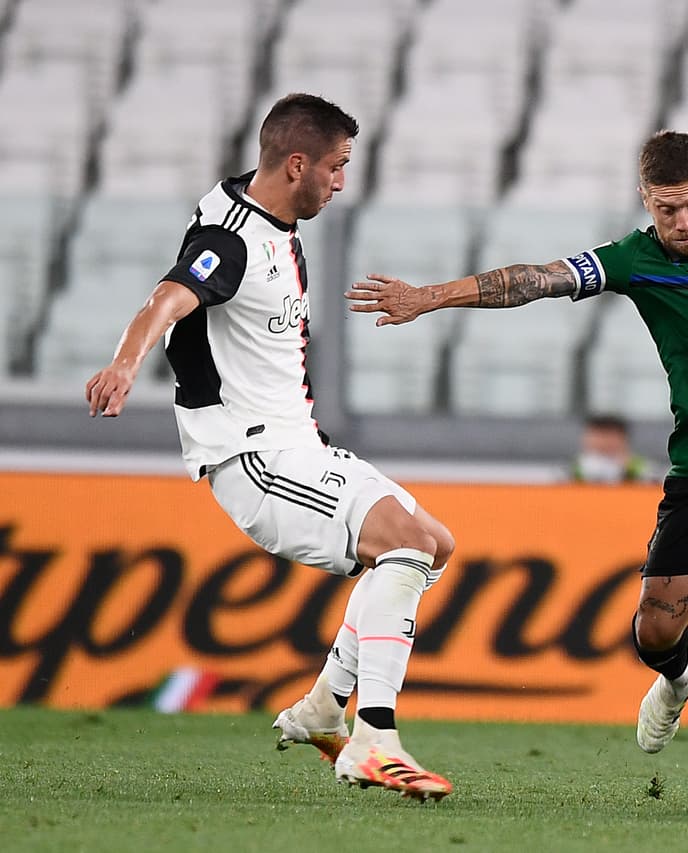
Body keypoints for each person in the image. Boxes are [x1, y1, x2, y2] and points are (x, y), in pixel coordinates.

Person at [347, 130, 688, 757]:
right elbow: (538, 279)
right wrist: (430, 296)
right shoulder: (636, 259)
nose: (684, 222)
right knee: (655, 633)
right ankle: (679, 675)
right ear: (645, 200)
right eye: (668, 210)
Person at [84, 93, 454, 802]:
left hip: (297, 443)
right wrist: (127, 360)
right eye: (337, 167)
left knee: (436, 543)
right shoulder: (231, 240)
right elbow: (166, 298)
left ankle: (321, 707)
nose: (342, 182)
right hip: (254, 457)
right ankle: (374, 738)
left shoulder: (268, 222)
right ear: (296, 163)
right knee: (403, 544)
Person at [569, 413, 660, 484]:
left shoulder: (643, 471)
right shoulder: (571, 471)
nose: (603, 442)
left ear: (624, 440)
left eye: (608, 435)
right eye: (598, 435)